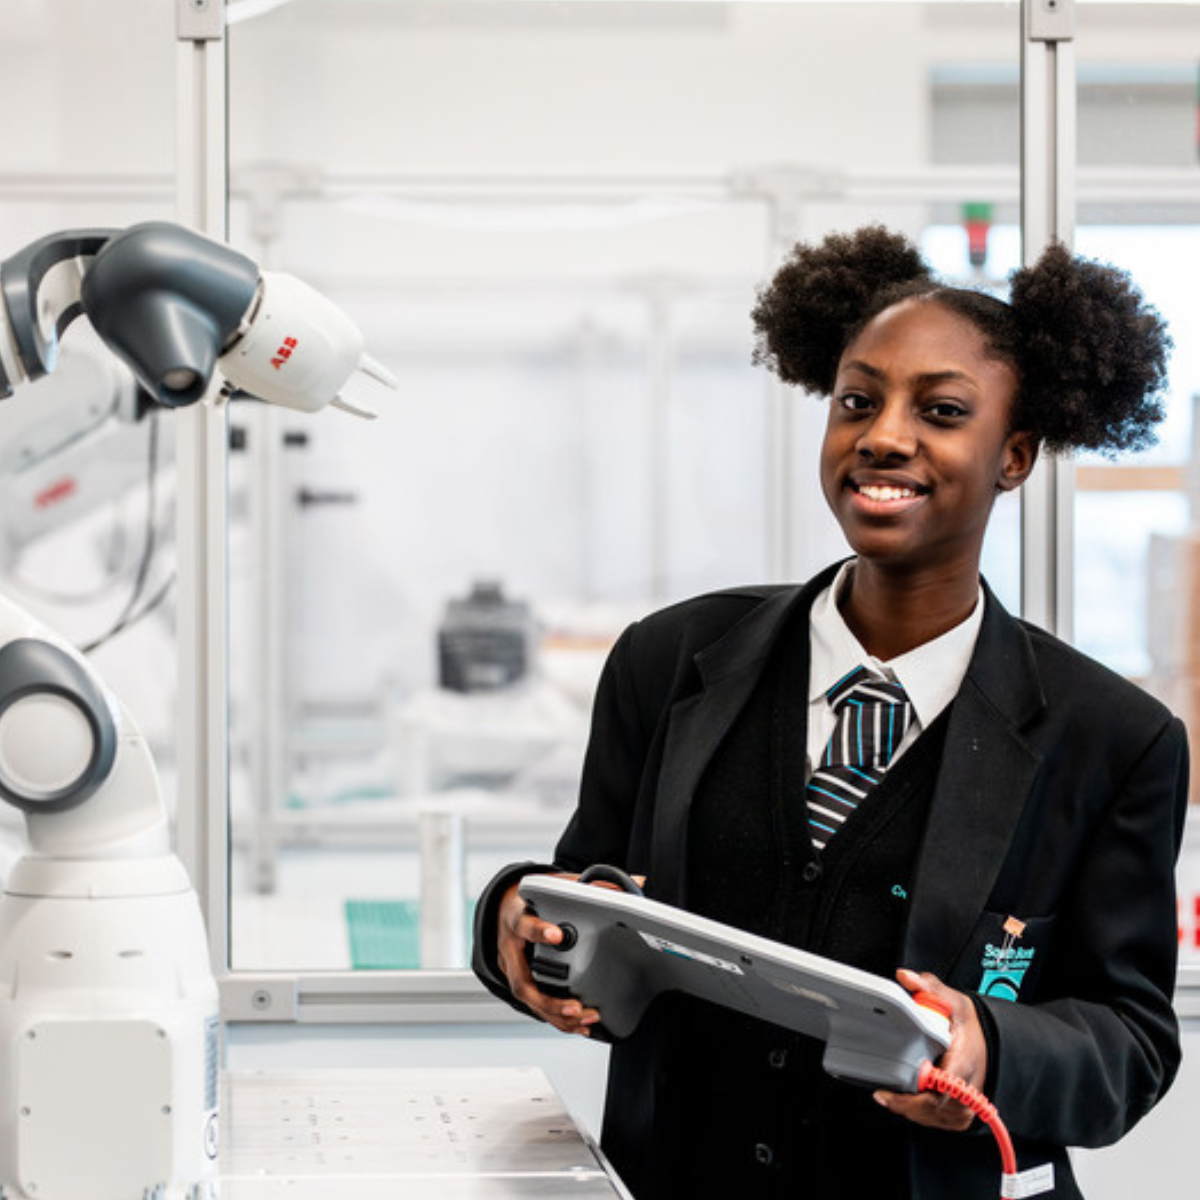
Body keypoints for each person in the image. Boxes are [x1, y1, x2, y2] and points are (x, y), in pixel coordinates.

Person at [471, 226, 1190, 1200]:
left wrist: (993, 1050)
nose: (884, 434)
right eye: (858, 400)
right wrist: (521, 925)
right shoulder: (670, 659)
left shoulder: (1111, 738)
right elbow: (588, 884)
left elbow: (1130, 1042)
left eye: (940, 410)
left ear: (1015, 455)